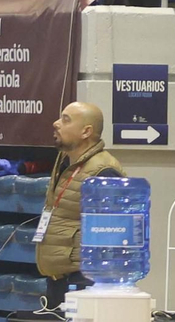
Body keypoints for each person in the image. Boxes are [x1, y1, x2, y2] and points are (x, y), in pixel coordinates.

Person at [36, 102, 124, 308]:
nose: (56, 123)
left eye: (66, 120)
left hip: (84, 284)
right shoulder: (64, 161)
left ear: (86, 132)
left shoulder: (104, 172)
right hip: (58, 280)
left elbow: (113, 235)